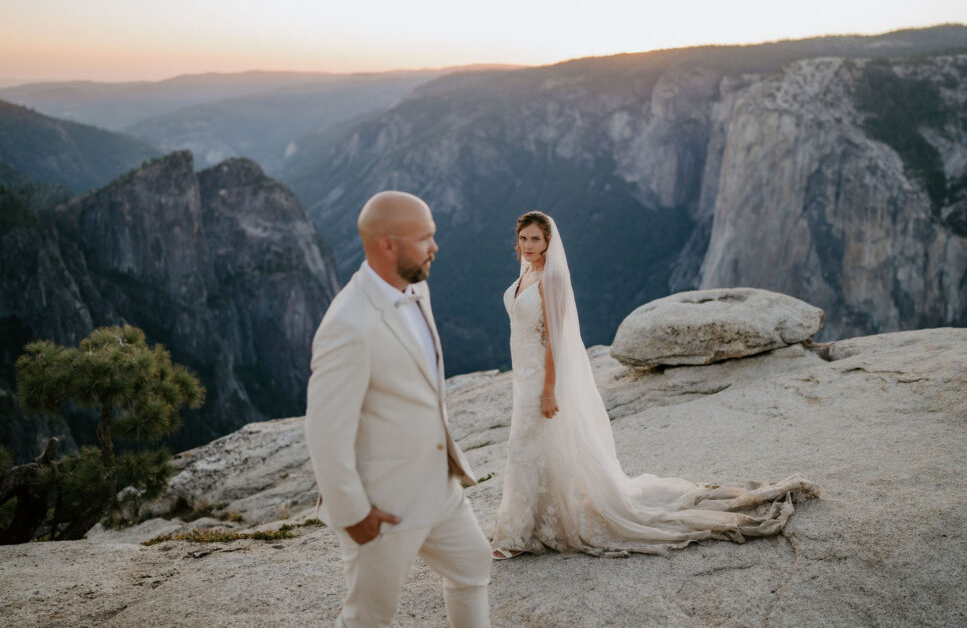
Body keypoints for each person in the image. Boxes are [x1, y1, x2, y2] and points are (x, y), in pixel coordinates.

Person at [490, 211, 820, 559]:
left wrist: (549, 389)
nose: (528, 245)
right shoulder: (527, 271)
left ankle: (517, 534)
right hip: (524, 375)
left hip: (542, 377)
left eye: (535, 239)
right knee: (534, 446)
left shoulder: (552, 277)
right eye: (523, 238)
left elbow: (555, 340)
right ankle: (529, 521)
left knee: (523, 445)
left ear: (548, 243)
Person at [305, 191, 491, 627]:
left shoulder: (415, 289)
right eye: (425, 238)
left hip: (439, 488)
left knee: (473, 566)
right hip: (385, 504)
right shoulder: (347, 325)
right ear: (388, 245)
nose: (435, 247)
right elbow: (325, 433)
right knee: (368, 617)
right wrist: (355, 515)